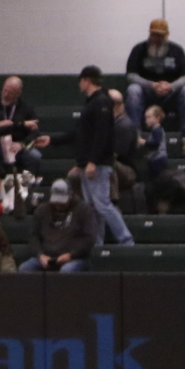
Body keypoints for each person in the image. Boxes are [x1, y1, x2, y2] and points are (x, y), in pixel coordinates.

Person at [68, 66, 133, 245]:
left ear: (86, 80)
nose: (79, 84)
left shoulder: (101, 101)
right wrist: (53, 140)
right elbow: (83, 135)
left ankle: (126, 241)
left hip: (97, 164)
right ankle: (97, 243)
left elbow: (101, 134)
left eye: (81, 80)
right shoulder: (92, 103)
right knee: (92, 208)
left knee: (103, 205)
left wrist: (92, 162)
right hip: (88, 163)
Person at [124, 18, 185, 140]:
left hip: (171, 93)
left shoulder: (176, 50)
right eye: (154, 35)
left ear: (166, 35)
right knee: (133, 90)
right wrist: (151, 85)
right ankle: (135, 135)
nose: (157, 39)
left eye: (160, 35)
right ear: (149, 34)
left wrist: (171, 86)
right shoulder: (139, 49)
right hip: (147, 92)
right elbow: (131, 75)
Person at [23, 180, 97, 272]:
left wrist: (71, 254)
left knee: (67, 270)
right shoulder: (42, 210)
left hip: (74, 258)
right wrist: (40, 255)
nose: (59, 204)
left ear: (70, 195)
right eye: (56, 200)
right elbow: (33, 236)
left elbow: (89, 238)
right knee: (25, 268)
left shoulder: (83, 210)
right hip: (47, 256)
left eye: (62, 201)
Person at [0, 76, 41, 169]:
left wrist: (22, 144)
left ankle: (26, 181)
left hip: (16, 143)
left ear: (18, 93)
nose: (5, 94)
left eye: (10, 92)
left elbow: (35, 131)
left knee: (35, 156)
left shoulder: (26, 108)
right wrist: (20, 124)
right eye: (5, 90)